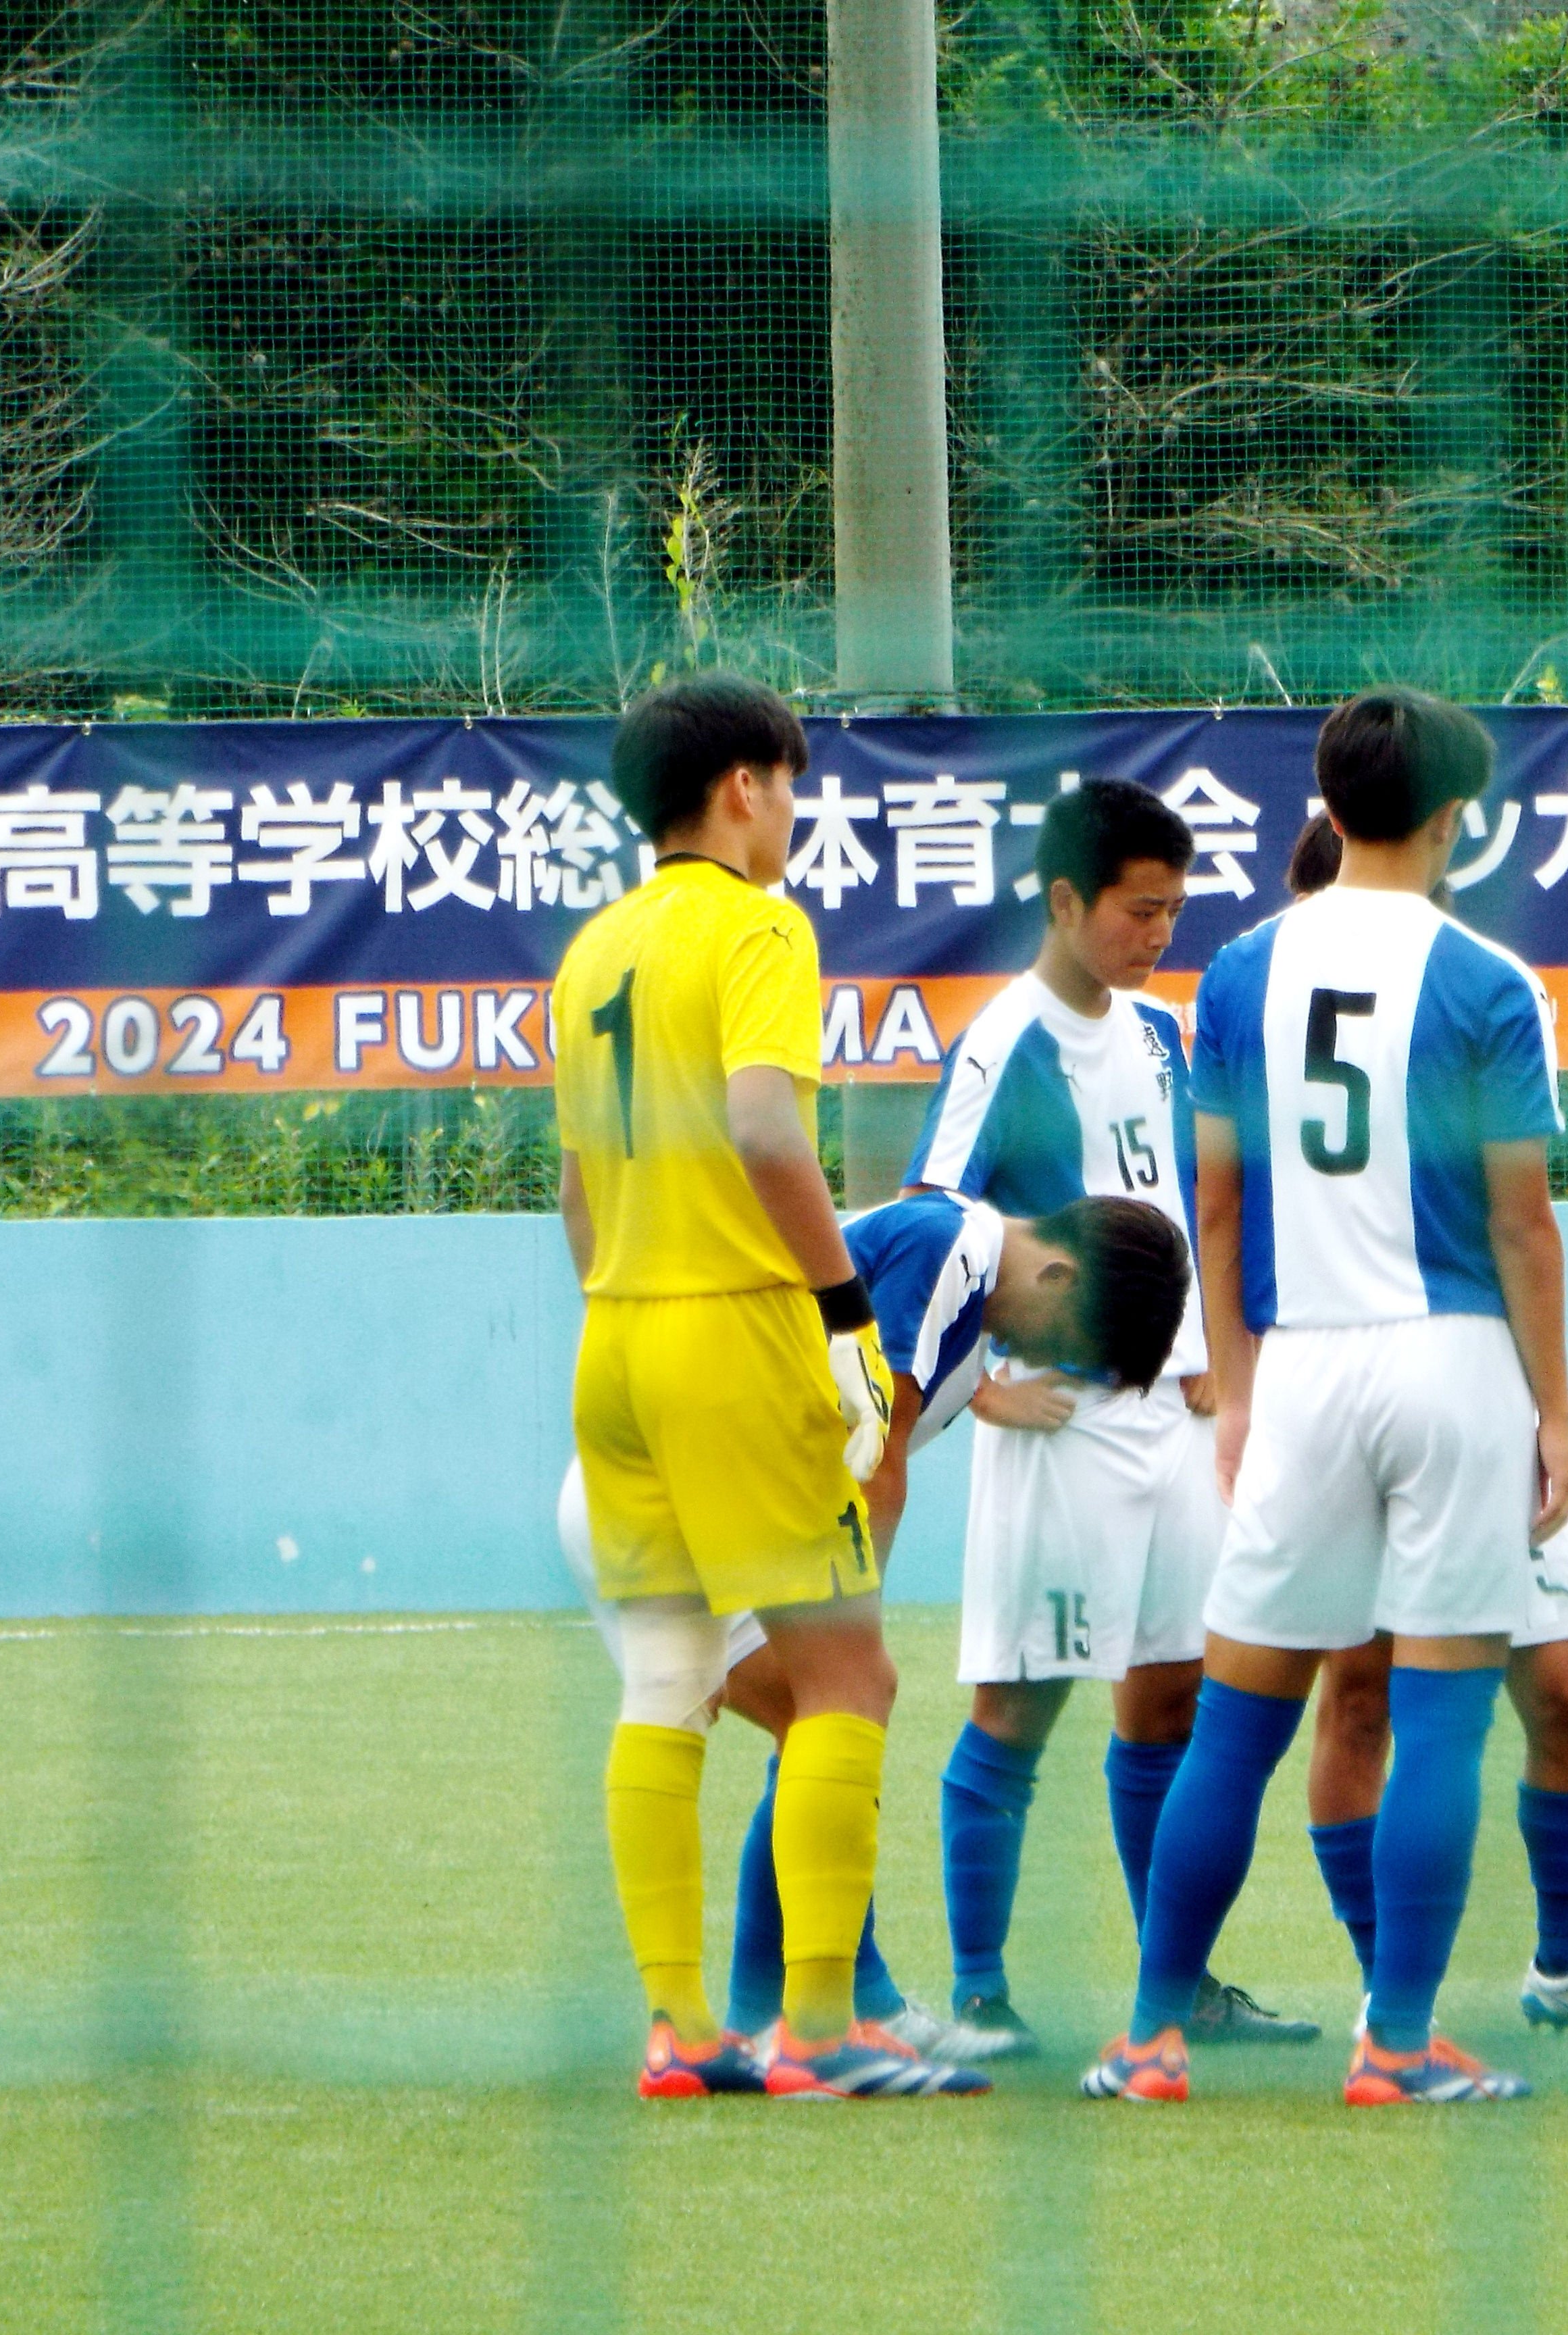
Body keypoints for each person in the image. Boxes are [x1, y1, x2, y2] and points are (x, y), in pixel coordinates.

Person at [1080, 688, 1568, 2108]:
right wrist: (1555, 1417)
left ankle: (1151, 2036)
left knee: (1237, 1724)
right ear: (1452, 818)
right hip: (1453, 1360)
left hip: (1300, 1366)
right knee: (1440, 1721)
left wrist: (1239, 1392)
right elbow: (1524, 1223)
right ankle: (1398, 2042)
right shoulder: (1490, 980)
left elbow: (1216, 1203)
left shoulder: (1240, 974)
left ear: (1332, 801)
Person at [555, 672, 973, 2099]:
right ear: (743, 785)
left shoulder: (594, 950)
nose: (793, 812)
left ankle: (681, 2029)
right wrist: (846, 1309)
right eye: (790, 784)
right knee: (851, 1673)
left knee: (668, 1677)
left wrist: (634, 1310)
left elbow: (576, 1191)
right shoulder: (758, 926)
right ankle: (820, 2027)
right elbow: (765, 1129)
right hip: (738, 1335)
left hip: (617, 1341)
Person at [551, 1182, 1188, 2068]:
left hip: (670, 1495)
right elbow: (878, 1452)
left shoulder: (963, 1281)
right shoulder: (954, 1247)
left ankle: (764, 2010)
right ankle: (836, 2009)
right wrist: (854, 1613)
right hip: (689, 1503)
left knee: (812, 1720)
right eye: (1067, 1345)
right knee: (839, 1702)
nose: (1048, 1361)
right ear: (1059, 1275)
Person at [904, 777, 1313, 2061]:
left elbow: (1195, 1198)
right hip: (1066, 1422)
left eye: (1176, 911)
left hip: (1176, 1416)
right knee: (1021, 1705)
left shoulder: (1158, 1033)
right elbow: (930, 1222)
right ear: (1067, 901)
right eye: (1141, 911)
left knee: (1172, 1697)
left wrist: (1215, 1357)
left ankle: (1173, 1987)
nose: (1161, 934)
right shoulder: (1002, 1046)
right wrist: (978, 1388)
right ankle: (979, 1993)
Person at [1283, 810, 1568, 2040]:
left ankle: (1566, 1968)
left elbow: (1523, 1218)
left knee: (1564, 1688)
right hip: (1341, 1398)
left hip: (1480, 1398)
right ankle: (1389, 1986)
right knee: (1360, 1693)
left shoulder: (1472, 998)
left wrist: (1552, 1412)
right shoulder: (1268, 1012)